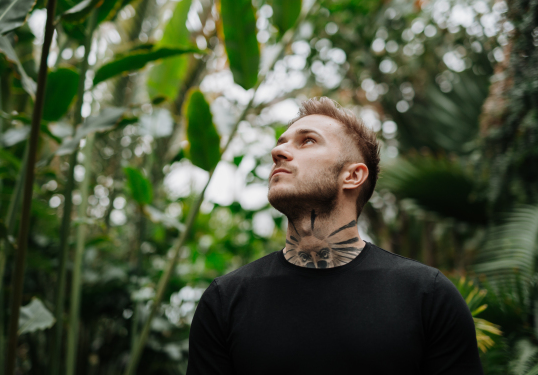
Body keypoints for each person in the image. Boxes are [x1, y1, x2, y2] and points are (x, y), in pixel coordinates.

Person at [186, 97, 484, 374]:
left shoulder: (427, 295)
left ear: (353, 175)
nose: (278, 152)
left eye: (308, 141)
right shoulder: (225, 300)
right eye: (281, 143)